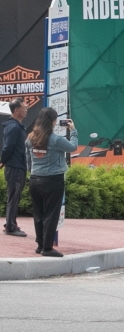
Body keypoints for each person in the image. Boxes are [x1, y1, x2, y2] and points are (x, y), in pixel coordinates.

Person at [24, 108, 78, 257]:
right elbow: (73, 147)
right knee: (51, 214)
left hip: (35, 180)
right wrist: (73, 131)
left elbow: (28, 160)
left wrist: (32, 172)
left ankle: (40, 245)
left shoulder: (30, 138)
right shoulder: (55, 139)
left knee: (38, 214)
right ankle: (47, 248)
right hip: (53, 180)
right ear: (53, 121)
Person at [1, 99, 29, 237]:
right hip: (15, 167)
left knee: (14, 196)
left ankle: (10, 223)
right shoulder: (14, 127)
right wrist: (2, 161)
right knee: (14, 196)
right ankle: (11, 227)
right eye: (24, 107)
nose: (27, 108)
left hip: (18, 166)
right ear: (16, 110)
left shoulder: (17, 126)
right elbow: (7, 147)